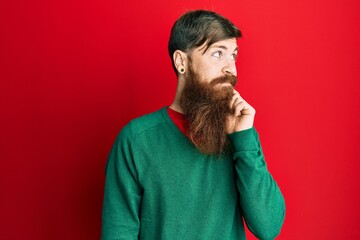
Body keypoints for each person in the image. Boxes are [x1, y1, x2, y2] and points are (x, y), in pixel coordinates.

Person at [101, 10, 285, 240]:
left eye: (233, 56)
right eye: (218, 54)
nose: (231, 69)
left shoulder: (240, 134)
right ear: (181, 62)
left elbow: (268, 227)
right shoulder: (136, 140)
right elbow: (118, 233)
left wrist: (244, 139)